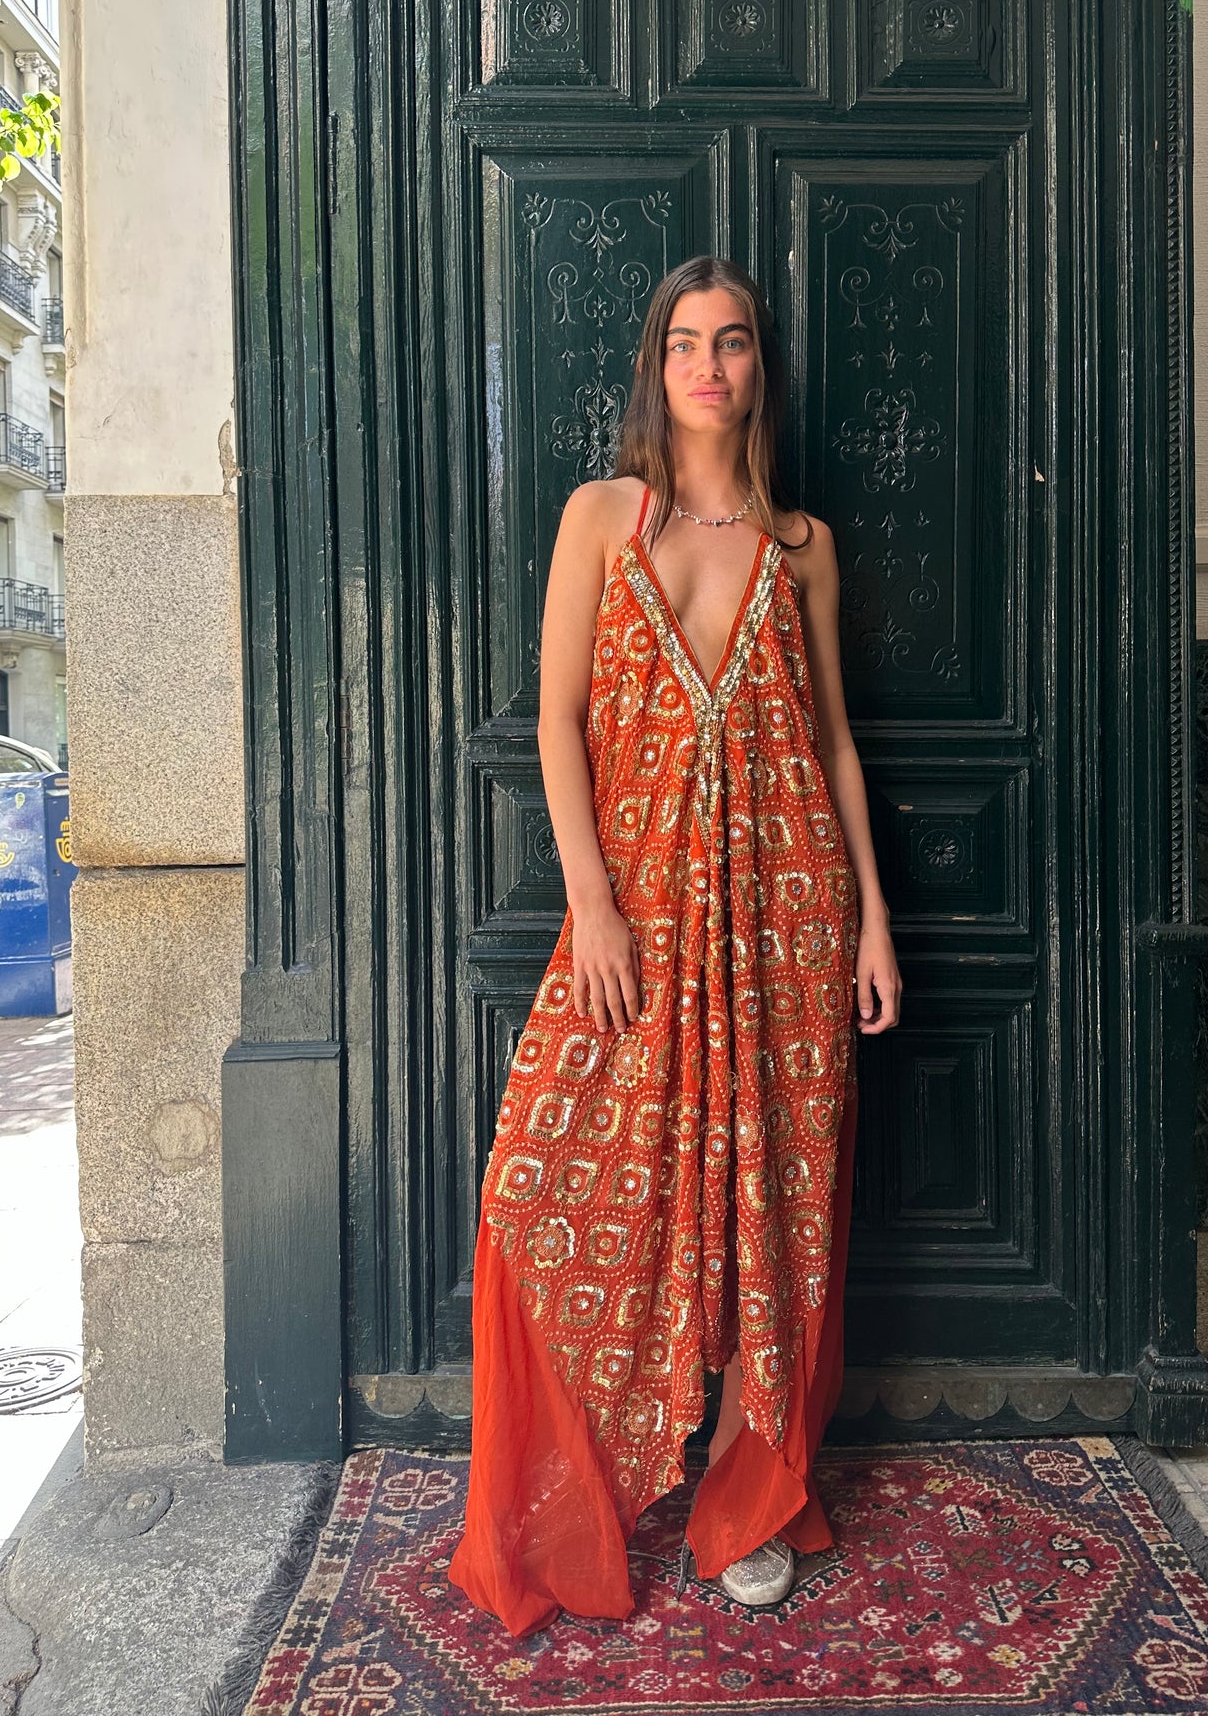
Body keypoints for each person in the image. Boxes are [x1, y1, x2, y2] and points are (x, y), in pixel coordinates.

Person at [447, 256, 901, 1636]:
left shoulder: (802, 546)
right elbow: (555, 721)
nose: (708, 364)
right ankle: (581, 1486)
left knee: (772, 1207)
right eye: (685, 343)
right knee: (550, 1177)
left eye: (734, 342)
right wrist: (589, 902)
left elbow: (828, 741)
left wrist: (871, 916)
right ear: (654, 365)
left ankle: (745, 1499)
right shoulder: (602, 516)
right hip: (636, 914)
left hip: (787, 921)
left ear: (761, 366)